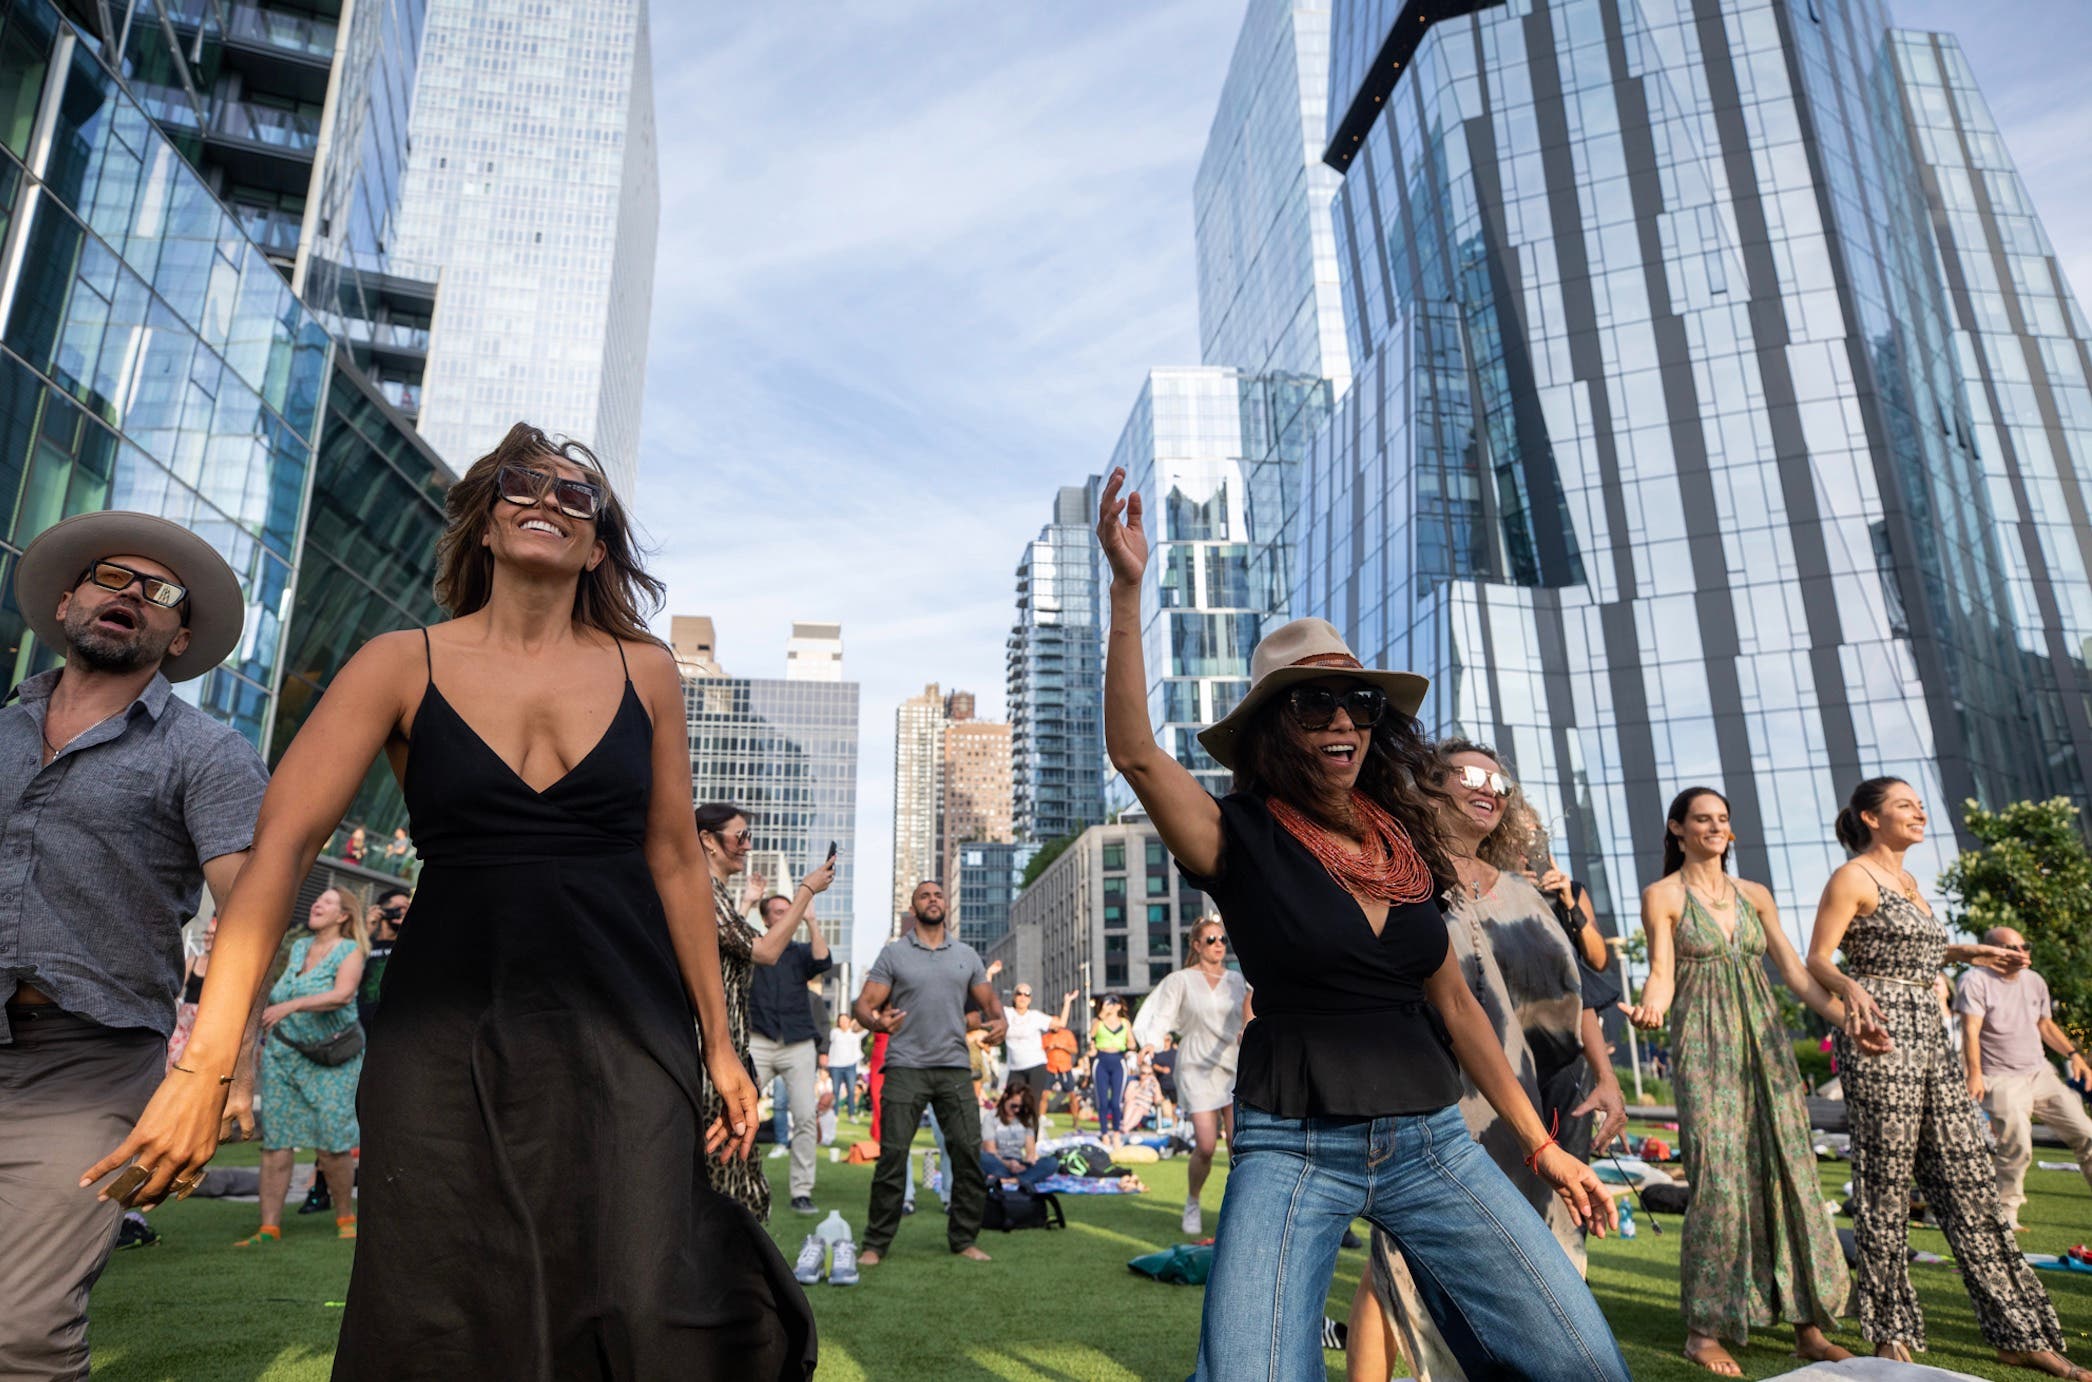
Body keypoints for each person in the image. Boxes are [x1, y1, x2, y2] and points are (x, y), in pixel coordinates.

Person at [84, 425, 814, 1378]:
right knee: (444, 1300)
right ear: (484, 520)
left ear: (596, 546)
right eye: (523, 484)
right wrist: (207, 1066)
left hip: (626, 1025)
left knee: (641, 1285)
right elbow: (282, 850)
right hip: (445, 1033)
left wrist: (718, 1044)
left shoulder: (647, 670)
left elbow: (676, 860)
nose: (547, 500)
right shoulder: (399, 662)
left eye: (576, 496)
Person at [1096, 470, 1626, 1382]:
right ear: (1271, 726)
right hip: (1294, 1148)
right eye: (1313, 705)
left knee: (1582, 1359)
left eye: (1359, 705)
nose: (1342, 721)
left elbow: (1456, 1007)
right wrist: (1128, 591)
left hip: (1431, 1141)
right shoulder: (1239, 837)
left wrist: (1542, 1147)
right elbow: (1137, 753)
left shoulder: (1406, 842)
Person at [0, 511, 269, 1378]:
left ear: (178, 634)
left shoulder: (211, 754)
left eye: (157, 594)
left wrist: (223, 1072)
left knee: (26, 1330)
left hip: (91, 1068)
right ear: (70, 599)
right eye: (112, 579)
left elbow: (257, 911)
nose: (130, 598)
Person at [1360, 741, 1628, 1381]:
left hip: (1533, 1117)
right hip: (1434, 1113)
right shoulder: (1399, 881)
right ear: (1430, 786)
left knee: (1542, 1274)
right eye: (1472, 775)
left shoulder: (1527, 895)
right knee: (1412, 1271)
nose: (1491, 788)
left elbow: (1574, 999)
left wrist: (1610, 1080)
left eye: (1500, 780)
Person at [1806, 776, 2075, 1378]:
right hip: (1880, 1033)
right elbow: (1818, 958)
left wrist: (1972, 953)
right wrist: (1850, 989)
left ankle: (2017, 1330)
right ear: (1870, 818)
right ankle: (1889, 1331)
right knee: (1886, 1183)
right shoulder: (1852, 877)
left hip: (1930, 1033)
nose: (1919, 812)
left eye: (1920, 804)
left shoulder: (1908, 883)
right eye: (1905, 805)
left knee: (1970, 1178)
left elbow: (1918, 952)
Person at [1623, 786, 1863, 1374]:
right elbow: (1661, 973)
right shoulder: (1664, 895)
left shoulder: (1755, 894)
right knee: (1720, 1183)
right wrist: (1650, 1007)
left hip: (1766, 1040)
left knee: (1792, 1174)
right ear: (1677, 829)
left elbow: (1794, 974)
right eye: (1702, 819)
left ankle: (1808, 1326)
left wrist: (1848, 1022)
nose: (1714, 827)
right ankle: (1704, 1331)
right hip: (1705, 1047)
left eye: (1722, 819)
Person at [853, 879, 1006, 1266]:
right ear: (913, 906)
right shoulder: (895, 954)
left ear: (946, 905)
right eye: (925, 895)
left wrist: (1000, 1021)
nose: (933, 900)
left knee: (967, 1154)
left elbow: (990, 1003)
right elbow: (864, 1006)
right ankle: (875, 1243)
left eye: (938, 895)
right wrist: (877, 1024)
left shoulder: (967, 955)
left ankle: (964, 1239)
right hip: (905, 1066)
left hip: (955, 1065)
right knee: (892, 1157)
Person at [235, 887, 369, 1246]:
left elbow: (342, 994)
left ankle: (345, 1216)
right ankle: (269, 1227)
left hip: (332, 1060)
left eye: (326, 902)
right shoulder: (297, 949)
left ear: (343, 916)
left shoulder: (351, 951)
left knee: (332, 1141)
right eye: (316, 900)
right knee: (276, 1141)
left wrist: (291, 1007)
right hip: (285, 1055)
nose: (317, 904)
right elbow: (277, 995)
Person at [1956, 926, 2092, 1231]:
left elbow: (2045, 1025)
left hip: (2039, 1072)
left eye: (2024, 946)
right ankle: (2005, 1216)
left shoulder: (2034, 981)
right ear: (1992, 952)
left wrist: (2074, 1055)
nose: (2021, 953)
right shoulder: (1974, 981)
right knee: (2017, 1146)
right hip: (2000, 1077)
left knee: (2087, 1133)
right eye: (2012, 948)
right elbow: (1970, 1032)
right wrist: (1974, 1074)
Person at [1133, 916, 1249, 1235]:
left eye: (1222, 939)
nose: (1218, 945)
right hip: (1196, 1064)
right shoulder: (1180, 980)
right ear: (1197, 945)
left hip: (1232, 1063)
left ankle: (1238, 1209)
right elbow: (1163, 1017)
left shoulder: (1237, 981)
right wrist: (1151, 1045)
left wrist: (1246, 1031)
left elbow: (1250, 1013)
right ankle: (1193, 1201)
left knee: (1240, 1145)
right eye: (1211, 940)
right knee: (1207, 1144)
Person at [693, 801, 777, 1220]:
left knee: (733, 1170)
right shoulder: (699, 888)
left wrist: (747, 903)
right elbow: (765, 950)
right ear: (707, 840)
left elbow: (729, 945)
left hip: (730, 1049)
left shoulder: (714, 893)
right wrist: (807, 893)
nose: (747, 845)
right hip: (710, 1053)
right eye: (739, 836)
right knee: (725, 1168)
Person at [748, 864, 838, 1216]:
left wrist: (812, 919)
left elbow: (824, 961)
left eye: (792, 911)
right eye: (780, 912)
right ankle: (731, 1183)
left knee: (803, 1117)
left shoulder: (801, 952)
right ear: (767, 921)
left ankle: (801, 1191)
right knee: (738, 1114)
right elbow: (722, 938)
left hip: (799, 1044)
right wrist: (748, 900)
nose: (789, 916)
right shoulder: (753, 945)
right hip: (759, 1042)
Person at [1001, 983, 1076, 1102]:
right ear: (1014, 997)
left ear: (1030, 999)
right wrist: (989, 974)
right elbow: (987, 1002)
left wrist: (1067, 1002)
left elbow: (1061, 1024)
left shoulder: (1035, 1016)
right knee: (1011, 1101)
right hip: (1015, 1067)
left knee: (1032, 1102)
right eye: (1019, 993)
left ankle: (1035, 1120)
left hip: (1036, 1065)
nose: (1022, 997)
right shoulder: (1007, 1013)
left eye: (1027, 994)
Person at [982, 1084, 1059, 1192]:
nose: (1017, 1110)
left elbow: (1030, 1150)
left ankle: (1008, 1180)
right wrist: (1008, 1164)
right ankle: (1023, 1179)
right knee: (981, 1157)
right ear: (1005, 1097)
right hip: (998, 1161)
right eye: (1014, 1106)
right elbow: (990, 1150)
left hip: (1018, 1163)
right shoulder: (991, 1118)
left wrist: (1028, 1161)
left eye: (1021, 1107)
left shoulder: (1026, 1119)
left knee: (1052, 1162)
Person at [168, 914, 219, 1073]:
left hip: (205, 1028)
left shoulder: (221, 968)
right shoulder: (192, 961)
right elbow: (176, 991)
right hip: (184, 1025)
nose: (209, 938)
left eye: (213, 935)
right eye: (207, 934)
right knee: (171, 1066)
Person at [1089, 993, 1133, 1148]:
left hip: (1118, 1061)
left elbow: (1132, 1043)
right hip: (1101, 1060)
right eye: (1107, 1004)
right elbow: (1091, 1035)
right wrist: (1101, 1015)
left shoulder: (1124, 1023)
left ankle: (1115, 1133)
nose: (1110, 1007)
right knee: (1102, 1101)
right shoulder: (1098, 1022)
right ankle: (1104, 1133)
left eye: (1113, 1004)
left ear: (1119, 1006)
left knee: (1116, 1101)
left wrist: (1128, 1045)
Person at [827, 1013, 863, 1117]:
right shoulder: (834, 1033)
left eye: (845, 1020)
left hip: (850, 1066)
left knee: (851, 1090)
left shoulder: (855, 1035)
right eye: (841, 1020)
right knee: (835, 1091)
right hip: (836, 1065)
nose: (843, 1023)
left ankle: (851, 1114)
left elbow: (864, 1029)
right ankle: (835, 1114)